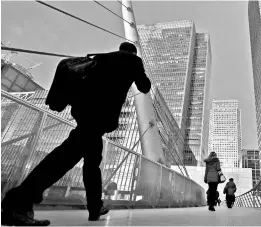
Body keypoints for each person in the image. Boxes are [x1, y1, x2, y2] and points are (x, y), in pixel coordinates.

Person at [1, 42, 152, 226]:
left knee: (91, 162)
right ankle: (18, 202)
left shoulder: (100, 58)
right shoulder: (133, 60)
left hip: (85, 115)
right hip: (98, 118)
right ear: (132, 51)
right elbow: (144, 86)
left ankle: (95, 207)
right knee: (63, 159)